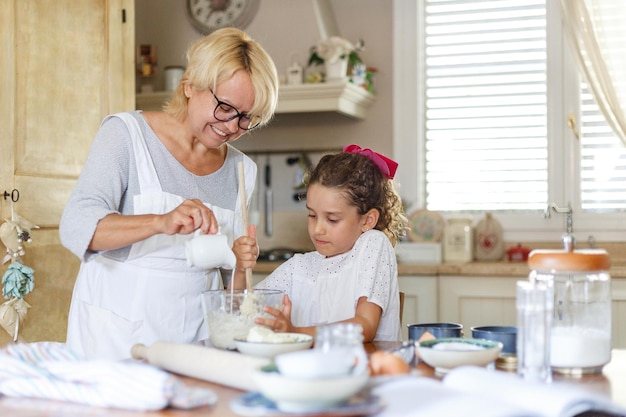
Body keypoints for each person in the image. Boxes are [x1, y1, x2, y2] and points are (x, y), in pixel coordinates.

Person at [59, 28, 279, 360]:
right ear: (190, 85)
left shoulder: (241, 170)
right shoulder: (126, 136)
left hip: (196, 346)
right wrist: (161, 222)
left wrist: (238, 266)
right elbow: (76, 227)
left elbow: (231, 296)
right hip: (116, 341)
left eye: (247, 117)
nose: (233, 126)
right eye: (225, 107)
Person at [246, 144, 406, 342]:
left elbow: (365, 326)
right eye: (312, 215)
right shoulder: (300, 267)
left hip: (368, 369)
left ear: (367, 220)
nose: (317, 229)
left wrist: (296, 332)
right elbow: (242, 307)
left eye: (332, 219)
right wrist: (239, 266)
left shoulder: (373, 244)